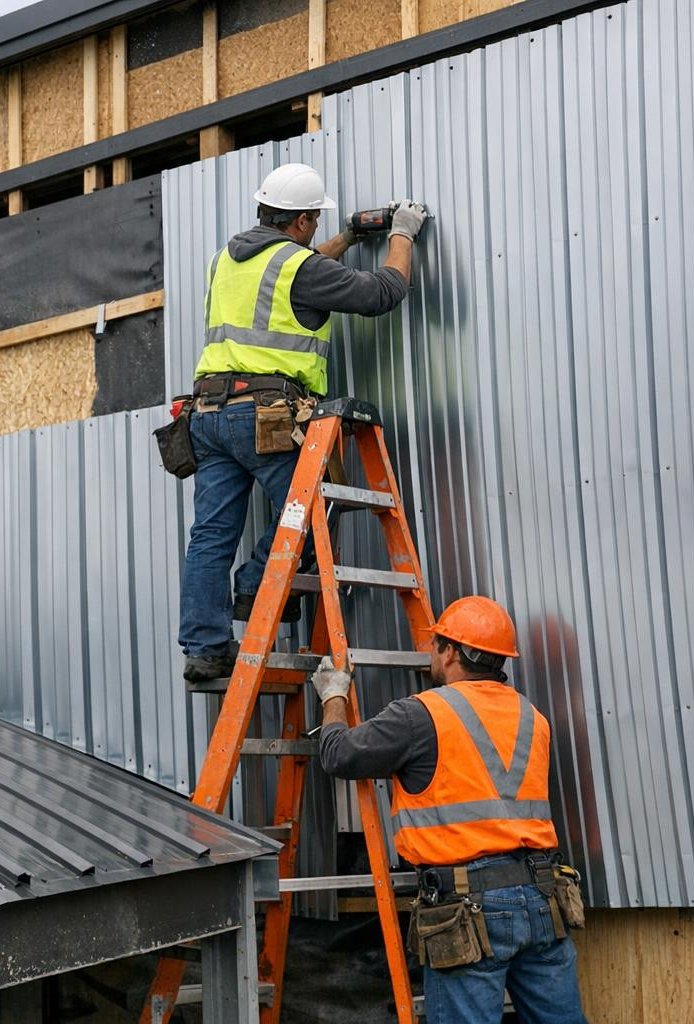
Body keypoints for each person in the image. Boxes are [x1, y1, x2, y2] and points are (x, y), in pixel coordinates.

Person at [179, 162, 428, 681]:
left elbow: (299, 271)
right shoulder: (300, 267)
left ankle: (205, 650)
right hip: (264, 417)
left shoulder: (225, 260)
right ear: (301, 221)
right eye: (313, 221)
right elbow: (381, 292)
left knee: (210, 535)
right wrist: (401, 234)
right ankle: (254, 585)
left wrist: (347, 236)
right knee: (316, 509)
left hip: (207, 413)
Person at [314, 596, 587, 1023]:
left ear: (452, 652)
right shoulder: (532, 717)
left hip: (467, 907)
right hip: (542, 895)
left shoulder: (421, 715)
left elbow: (339, 755)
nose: (431, 651)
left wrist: (333, 695)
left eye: (436, 643)